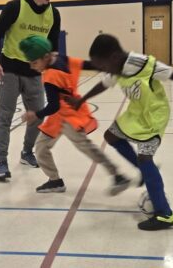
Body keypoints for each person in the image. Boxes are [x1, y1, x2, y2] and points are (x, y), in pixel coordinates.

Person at [68, 34, 173, 231]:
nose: (103, 70)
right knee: (111, 136)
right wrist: (81, 100)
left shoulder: (145, 64)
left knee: (145, 159)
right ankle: (145, 172)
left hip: (154, 115)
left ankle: (165, 214)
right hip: (136, 112)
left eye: (103, 66)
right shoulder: (116, 67)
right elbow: (104, 83)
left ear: (115, 57)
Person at [19, 35, 133, 194]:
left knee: (87, 147)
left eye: (34, 63)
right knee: (41, 148)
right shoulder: (62, 58)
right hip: (59, 116)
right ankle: (55, 181)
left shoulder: (50, 76)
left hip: (69, 117)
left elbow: (53, 106)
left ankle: (118, 176)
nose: (32, 67)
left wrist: (35, 114)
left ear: (46, 57)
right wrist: (106, 67)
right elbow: (87, 64)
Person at [0, 0, 60, 181]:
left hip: (34, 72)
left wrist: (52, 71)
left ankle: (27, 152)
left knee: (38, 115)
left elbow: (54, 49)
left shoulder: (54, 14)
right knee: (5, 115)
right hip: (9, 69)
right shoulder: (15, 6)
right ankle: (1, 160)